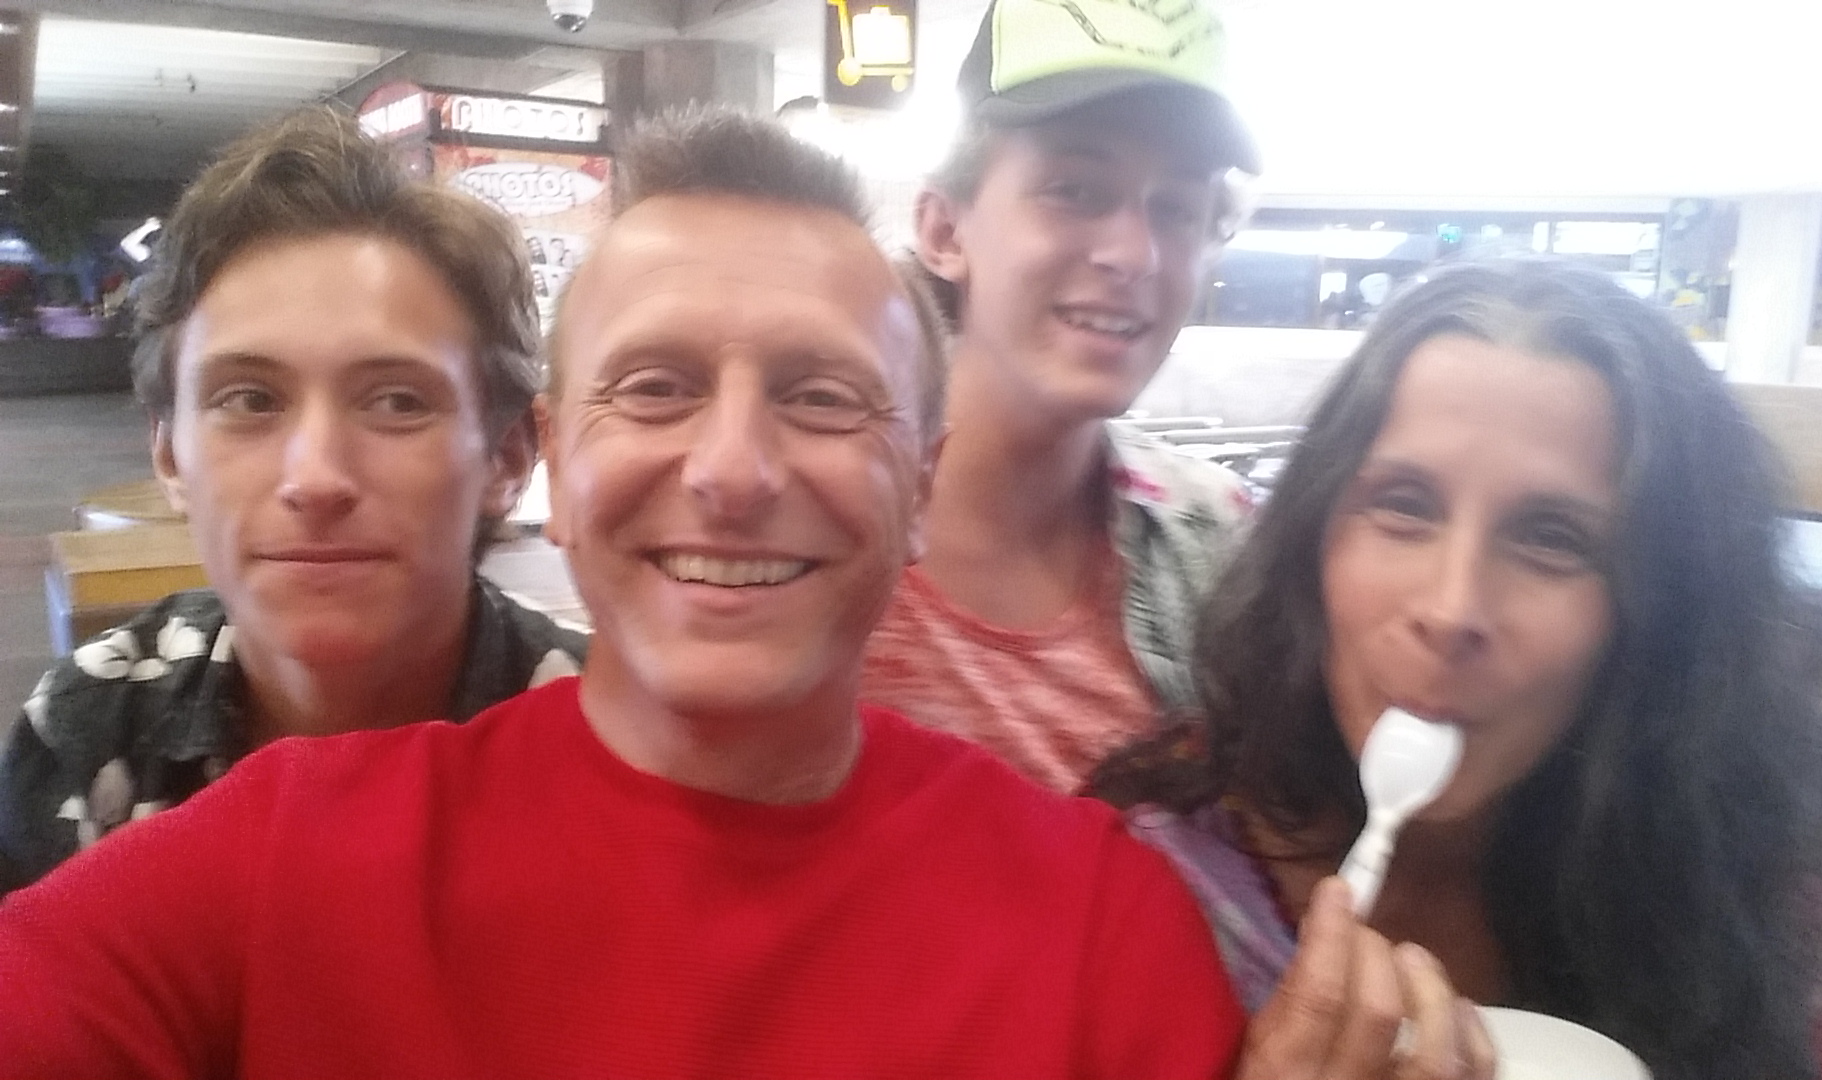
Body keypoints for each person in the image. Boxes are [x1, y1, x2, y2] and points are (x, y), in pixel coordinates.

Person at [0, 108, 1255, 1079]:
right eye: (655, 388)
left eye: (821, 397)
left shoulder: (1099, 920)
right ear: (555, 460)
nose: (732, 471)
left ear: (921, 482)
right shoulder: (280, 856)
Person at [1093, 260, 1822, 1080]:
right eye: (1404, 505)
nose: (1452, 608)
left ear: (1663, 613)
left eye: (1552, 539)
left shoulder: (1765, 909)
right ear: (1311, 540)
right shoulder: (1145, 890)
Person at [0, 108, 588, 894]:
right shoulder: (92, 725)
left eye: (397, 402)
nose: (314, 479)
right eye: (249, 399)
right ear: (171, 454)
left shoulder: (612, 743)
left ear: (507, 457)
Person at [859, 0, 1259, 792]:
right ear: (944, 232)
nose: (1135, 254)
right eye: (1075, 190)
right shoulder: (807, 533)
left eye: (1176, 208)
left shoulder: (1222, 547)